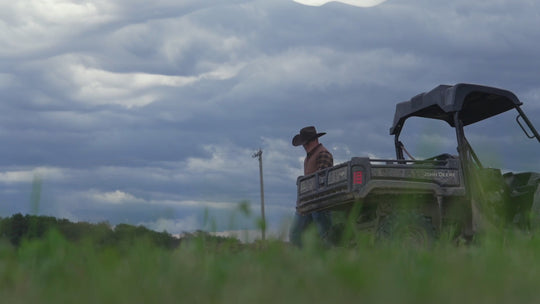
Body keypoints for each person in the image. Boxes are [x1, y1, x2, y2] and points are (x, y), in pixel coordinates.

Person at [289, 126, 333, 247]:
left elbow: (322, 180)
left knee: (325, 236)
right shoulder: (309, 157)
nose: (304, 146)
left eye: (305, 143)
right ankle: (307, 260)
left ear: (313, 141)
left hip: (320, 203)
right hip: (308, 202)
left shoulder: (323, 154)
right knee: (295, 235)